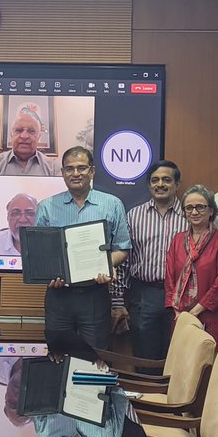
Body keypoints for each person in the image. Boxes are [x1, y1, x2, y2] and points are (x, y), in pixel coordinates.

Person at [35, 146, 131, 351]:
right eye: (69, 169)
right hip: (58, 295)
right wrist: (49, 273)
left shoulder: (112, 204)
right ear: (62, 173)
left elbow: (123, 248)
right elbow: (41, 254)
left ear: (92, 171)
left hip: (95, 295)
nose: (76, 174)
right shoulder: (46, 207)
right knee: (58, 357)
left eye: (81, 168)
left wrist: (106, 264)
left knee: (96, 358)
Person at [120, 160, 187, 361]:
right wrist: (117, 301)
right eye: (155, 180)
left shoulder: (189, 214)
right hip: (144, 294)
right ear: (149, 185)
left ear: (177, 184)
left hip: (180, 295)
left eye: (166, 180)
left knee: (178, 356)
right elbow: (124, 261)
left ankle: (173, 394)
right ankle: (147, 393)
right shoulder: (134, 215)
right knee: (144, 355)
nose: (160, 185)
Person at [164, 185, 218, 348]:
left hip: (211, 315)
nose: (194, 212)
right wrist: (178, 312)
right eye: (189, 208)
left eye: (200, 207)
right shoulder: (177, 239)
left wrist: (195, 312)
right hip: (180, 316)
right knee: (183, 365)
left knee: (210, 366)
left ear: (211, 210)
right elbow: (169, 277)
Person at [0, 105, 61, 176]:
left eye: (31, 131)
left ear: (39, 136)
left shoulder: (53, 168)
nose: (24, 136)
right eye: (19, 130)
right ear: (11, 134)